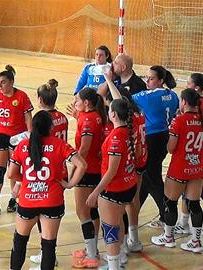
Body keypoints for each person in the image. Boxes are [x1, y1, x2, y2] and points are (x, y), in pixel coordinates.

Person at [8, 110, 87, 270]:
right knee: (49, 245)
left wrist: (25, 180)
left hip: (28, 201)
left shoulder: (23, 146)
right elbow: (82, 165)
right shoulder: (60, 144)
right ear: (51, 128)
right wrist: (70, 184)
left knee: (20, 241)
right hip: (52, 200)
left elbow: (11, 174)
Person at [86, 98, 137, 270]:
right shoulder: (130, 131)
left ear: (113, 114)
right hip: (129, 185)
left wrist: (95, 192)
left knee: (110, 229)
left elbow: (112, 171)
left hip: (114, 190)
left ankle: (114, 265)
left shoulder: (115, 137)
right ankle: (120, 256)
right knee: (118, 222)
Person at [151, 88, 203, 253]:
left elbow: (171, 148)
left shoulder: (178, 121)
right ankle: (195, 242)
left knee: (170, 202)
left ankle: (168, 237)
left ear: (184, 102)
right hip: (197, 168)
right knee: (194, 204)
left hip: (179, 168)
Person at [0, 65, 33, 214]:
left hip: (17, 136)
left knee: (14, 169)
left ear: (11, 82)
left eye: (3, 82)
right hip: (0, 134)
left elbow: (28, 117)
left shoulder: (21, 96)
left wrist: (30, 134)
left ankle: (13, 200)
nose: (0, 85)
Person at [105, 71, 147, 257]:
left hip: (129, 167)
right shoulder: (140, 115)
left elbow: (117, 99)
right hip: (140, 162)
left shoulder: (124, 123)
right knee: (133, 202)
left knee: (118, 211)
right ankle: (134, 240)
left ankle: (119, 250)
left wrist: (108, 79)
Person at [132, 66, 179, 229]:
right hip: (164, 137)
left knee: (153, 179)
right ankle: (133, 214)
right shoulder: (173, 95)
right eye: (146, 77)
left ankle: (167, 216)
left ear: (160, 81)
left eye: (151, 78)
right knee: (148, 176)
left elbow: (123, 99)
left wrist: (111, 81)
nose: (147, 81)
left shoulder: (148, 97)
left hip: (151, 139)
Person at [29, 79, 68, 266]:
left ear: (40, 100)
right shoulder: (63, 117)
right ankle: (48, 253)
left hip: (47, 171)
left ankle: (48, 255)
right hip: (61, 170)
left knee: (42, 212)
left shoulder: (42, 119)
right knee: (52, 213)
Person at [69, 88, 106, 268]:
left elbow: (84, 149)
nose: (75, 102)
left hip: (87, 169)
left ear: (87, 103)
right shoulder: (95, 115)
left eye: (78, 100)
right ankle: (92, 249)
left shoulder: (88, 120)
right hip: (95, 168)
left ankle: (91, 255)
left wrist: (74, 169)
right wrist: (78, 116)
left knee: (82, 212)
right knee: (91, 211)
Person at [173, 72, 203, 234]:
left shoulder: (197, 108)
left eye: (189, 83)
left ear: (196, 88)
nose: (186, 86)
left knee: (193, 196)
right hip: (196, 156)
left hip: (196, 156)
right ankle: (184, 222)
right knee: (190, 194)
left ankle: (185, 225)